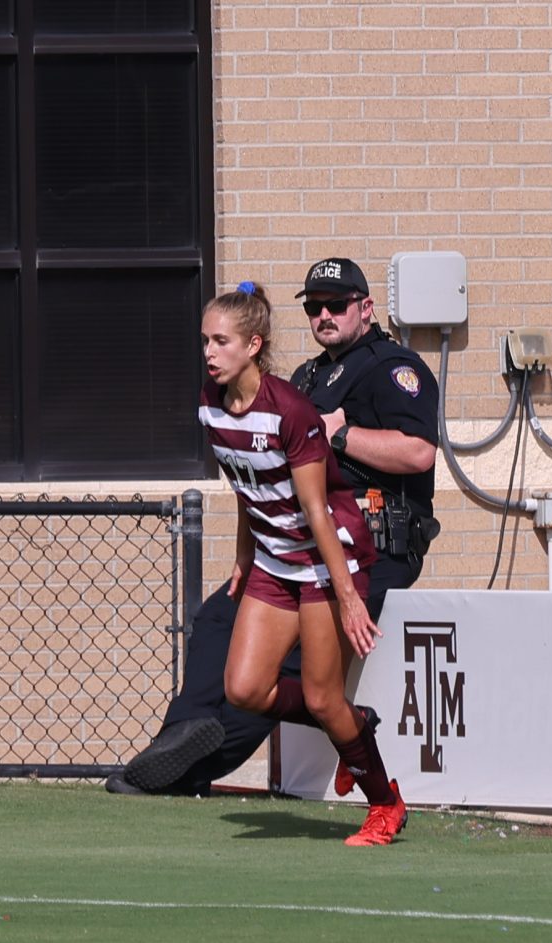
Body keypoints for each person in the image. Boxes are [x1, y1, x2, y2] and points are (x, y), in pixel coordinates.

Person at [112, 257, 440, 797]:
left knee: (285, 669)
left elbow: (419, 453)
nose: (325, 315)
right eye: (314, 307)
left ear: (366, 307)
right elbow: (259, 475)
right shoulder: (308, 377)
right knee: (217, 616)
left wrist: (339, 435)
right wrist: (247, 555)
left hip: (368, 548)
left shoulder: (391, 368)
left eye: (337, 305)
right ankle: (176, 743)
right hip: (293, 549)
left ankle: (191, 773)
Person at [192, 283, 407, 846]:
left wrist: (349, 595)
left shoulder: (291, 410)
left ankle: (385, 803)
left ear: (253, 345)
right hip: (272, 562)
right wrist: (244, 553)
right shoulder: (210, 402)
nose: (210, 352)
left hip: (324, 557)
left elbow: (315, 509)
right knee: (242, 690)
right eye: (205, 341)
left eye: (221, 341)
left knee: (320, 698)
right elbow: (245, 483)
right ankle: (353, 727)